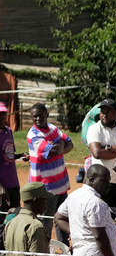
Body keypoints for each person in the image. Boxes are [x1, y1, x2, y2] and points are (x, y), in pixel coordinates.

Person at [27, 102, 73, 242]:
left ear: (47, 115)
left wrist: (58, 147)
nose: (38, 119)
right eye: (35, 117)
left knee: (62, 219)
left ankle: (63, 251)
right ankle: (44, 255)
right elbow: (55, 150)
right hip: (46, 187)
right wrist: (58, 146)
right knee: (45, 223)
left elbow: (70, 144)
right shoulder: (33, 135)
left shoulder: (53, 128)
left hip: (61, 183)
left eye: (41, 115)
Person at [86, 98, 116, 207]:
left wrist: (108, 148)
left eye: (109, 111)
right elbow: (97, 153)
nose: (104, 114)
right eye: (102, 112)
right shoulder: (94, 129)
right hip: (99, 182)